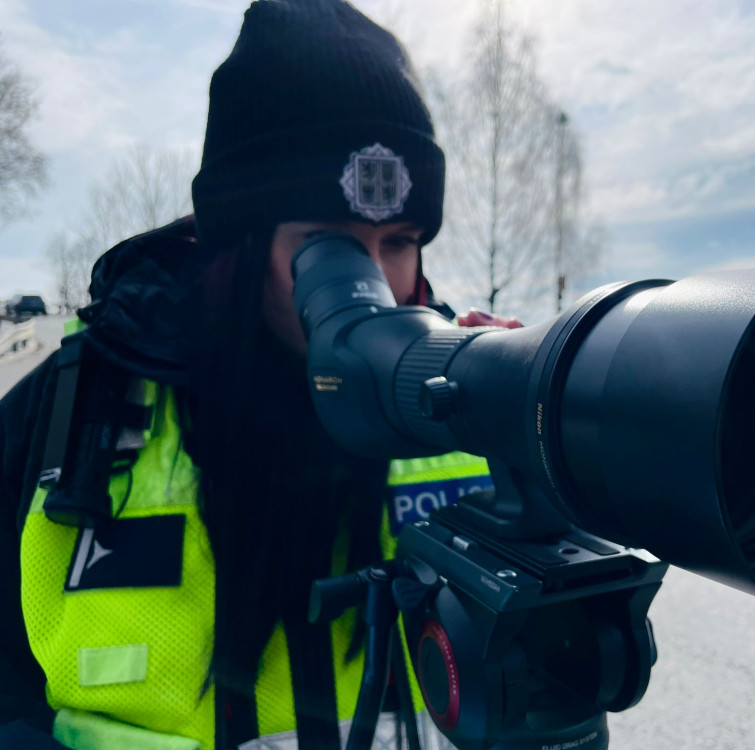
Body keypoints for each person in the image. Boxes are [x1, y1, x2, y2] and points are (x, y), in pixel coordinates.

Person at [0, 1, 518, 748]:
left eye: (401, 240)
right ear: (238, 246)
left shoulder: (458, 404)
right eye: (330, 246)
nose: (374, 283)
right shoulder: (73, 407)